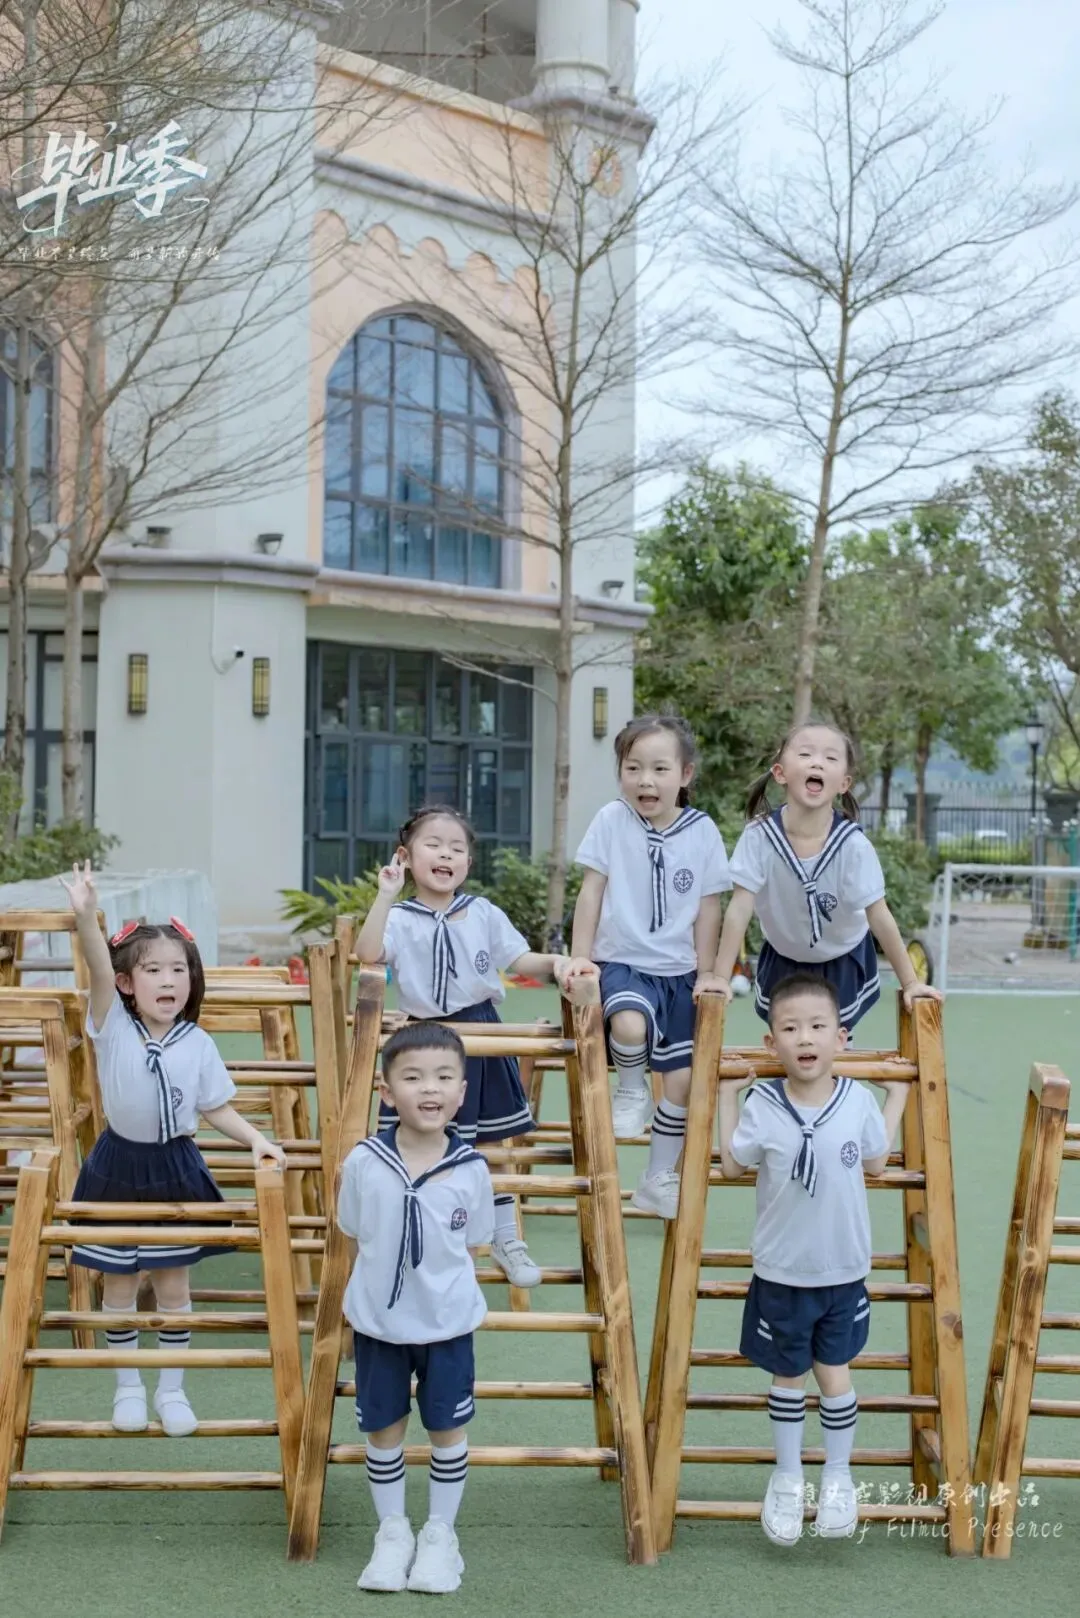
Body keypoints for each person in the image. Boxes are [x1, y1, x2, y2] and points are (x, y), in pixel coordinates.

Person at [59, 860, 286, 1437]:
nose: (168, 979)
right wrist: (87, 915)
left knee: (173, 1285)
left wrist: (258, 1139)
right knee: (118, 1284)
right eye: (153, 969)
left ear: (192, 978)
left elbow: (216, 1107)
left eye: (179, 969)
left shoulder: (197, 1042)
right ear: (127, 984)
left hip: (175, 1167)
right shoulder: (112, 1024)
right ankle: (128, 1387)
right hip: (117, 1166)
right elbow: (97, 966)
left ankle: (172, 1389)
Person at [356, 805, 596, 1290]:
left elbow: (519, 958)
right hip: (426, 1041)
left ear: (468, 862)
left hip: (482, 1036)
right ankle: (419, 1239)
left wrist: (558, 962)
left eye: (457, 848)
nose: (445, 854)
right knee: (421, 1141)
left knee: (492, 1145)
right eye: (433, 845)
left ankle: (506, 1238)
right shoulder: (399, 917)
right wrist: (385, 894)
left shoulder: (483, 912)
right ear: (406, 857)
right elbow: (366, 953)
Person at [718, 972, 910, 1545]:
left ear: (840, 1037)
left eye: (818, 1026)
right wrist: (727, 1097)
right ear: (772, 1040)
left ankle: (838, 1477)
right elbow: (732, 1165)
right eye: (790, 1027)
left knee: (835, 1374)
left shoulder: (855, 1101)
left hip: (844, 1268)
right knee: (788, 1375)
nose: (805, 1037)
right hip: (782, 1270)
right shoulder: (764, 1104)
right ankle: (786, 1477)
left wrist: (897, 1096)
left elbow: (876, 1162)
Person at [338, 1022, 494, 1594]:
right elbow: (353, 1232)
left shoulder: (472, 1169)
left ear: (461, 1091)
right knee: (383, 1427)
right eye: (413, 1077)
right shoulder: (363, 1162)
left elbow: (470, 1245)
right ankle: (393, 1532)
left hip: (446, 1326)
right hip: (379, 1325)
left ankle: (439, 1535)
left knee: (447, 1427)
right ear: (386, 1092)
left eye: (444, 1077)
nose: (430, 1088)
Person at [571, 713, 730, 1219]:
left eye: (660, 769)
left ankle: (658, 1177)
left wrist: (708, 972)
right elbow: (591, 890)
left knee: (681, 1081)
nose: (646, 780)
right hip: (622, 962)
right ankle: (631, 1088)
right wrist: (580, 956)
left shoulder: (702, 831)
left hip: (678, 972)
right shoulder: (611, 820)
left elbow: (709, 908)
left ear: (685, 774)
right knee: (629, 1024)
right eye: (633, 767)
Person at [700, 719, 943, 1029]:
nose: (817, 762)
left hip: (842, 957)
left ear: (844, 783)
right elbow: (739, 907)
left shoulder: (853, 846)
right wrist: (721, 978)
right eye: (805, 754)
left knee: (835, 1043)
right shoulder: (759, 836)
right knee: (788, 1042)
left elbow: (879, 915)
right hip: (784, 955)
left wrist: (910, 983)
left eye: (830, 757)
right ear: (780, 773)